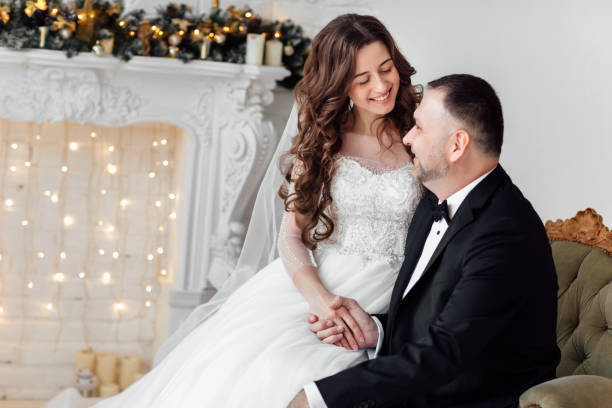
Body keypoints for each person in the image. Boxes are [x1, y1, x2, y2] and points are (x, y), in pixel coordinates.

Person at [43, 14, 422, 408]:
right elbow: (291, 236)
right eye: (363, 80)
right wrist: (321, 301)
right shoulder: (324, 141)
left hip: (392, 292)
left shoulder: (421, 128)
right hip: (314, 292)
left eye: (386, 69)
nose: (381, 86)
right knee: (262, 372)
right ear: (340, 83)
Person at [289, 74, 561, 408]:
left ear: (456, 145)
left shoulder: (505, 233)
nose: (407, 138)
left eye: (419, 127)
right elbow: (436, 318)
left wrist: (319, 397)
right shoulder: (434, 202)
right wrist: (375, 329)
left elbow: (445, 353)